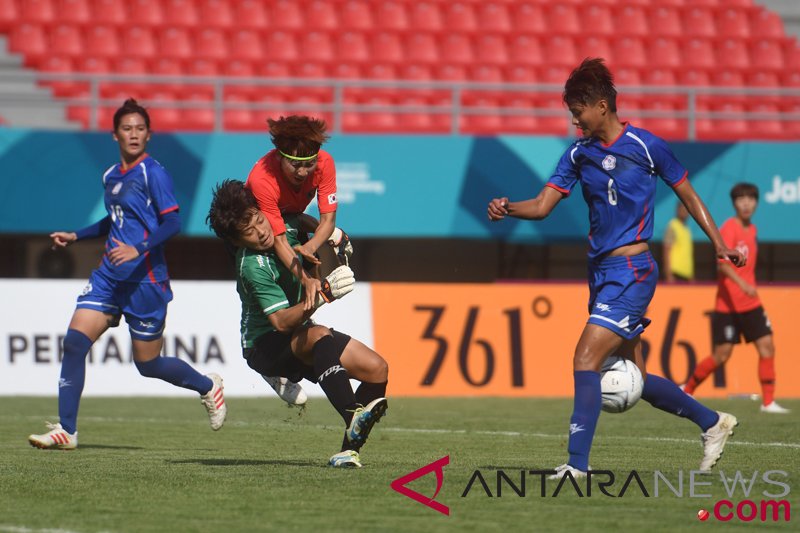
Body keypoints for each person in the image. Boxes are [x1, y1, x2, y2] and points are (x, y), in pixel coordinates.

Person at [487, 58, 745, 478]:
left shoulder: (646, 146)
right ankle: (713, 422)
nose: (574, 121)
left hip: (634, 270)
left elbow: (688, 194)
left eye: (578, 112)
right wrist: (508, 208)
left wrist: (719, 245)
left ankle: (576, 465)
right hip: (601, 274)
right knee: (636, 377)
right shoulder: (577, 154)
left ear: (602, 105)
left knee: (585, 357)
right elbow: (542, 205)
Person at [28, 99, 226, 450]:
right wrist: (77, 236)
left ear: (148, 135)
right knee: (74, 343)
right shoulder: (111, 176)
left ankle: (207, 386)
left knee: (147, 365)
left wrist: (139, 248)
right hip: (109, 276)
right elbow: (114, 220)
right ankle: (67, 431)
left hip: (146, 281)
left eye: (139, 129)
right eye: (126, 128)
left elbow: (173, 221)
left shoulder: (154, 173)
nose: (133, 134)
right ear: (115, 134)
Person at [206, 179, 388, 468]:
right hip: (263, 345)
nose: (261, 232)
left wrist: (331, 233)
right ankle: (352, 415)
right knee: (318, 335)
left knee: (377, 369)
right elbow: (279, 322)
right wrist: (324, 295)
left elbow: (299, 219)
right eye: (248, 232)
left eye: (258, 220)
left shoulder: (280, 223)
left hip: (299, 332)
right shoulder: (252, 266)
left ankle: (348, 452)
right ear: (237, 241)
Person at [681, 183, 789, 414]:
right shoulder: (730, 227)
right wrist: (742, 284)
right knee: (721, 355)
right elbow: (722, 265)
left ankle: (768, 402)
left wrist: (748, 287)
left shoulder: (753, 230)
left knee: (767, 346)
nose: (746, 203)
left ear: (756, 203)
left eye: (750, 199)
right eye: (741, 199)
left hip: (751, 304)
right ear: (734, 204)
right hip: (727, 305)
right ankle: (687, 389)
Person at [245, 115, 342, 311]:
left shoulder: (325, 163)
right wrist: (305, 280)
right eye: (296, 165)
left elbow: (328, 220)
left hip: (290, 220)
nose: (303, 173)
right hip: (262, 236)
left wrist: (311, 245)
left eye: (309, 164)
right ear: (279, 156)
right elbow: (278, 240)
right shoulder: (262, 180)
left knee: (313, 267)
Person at [663, 201, 694, 282]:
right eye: (683, 209)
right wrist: (668, 274)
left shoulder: (687, 229)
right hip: (675, 272)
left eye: (687, 210)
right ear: (677, 210)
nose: (685, 212)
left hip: (686, 274)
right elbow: (666, 250)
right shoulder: (672, 226)